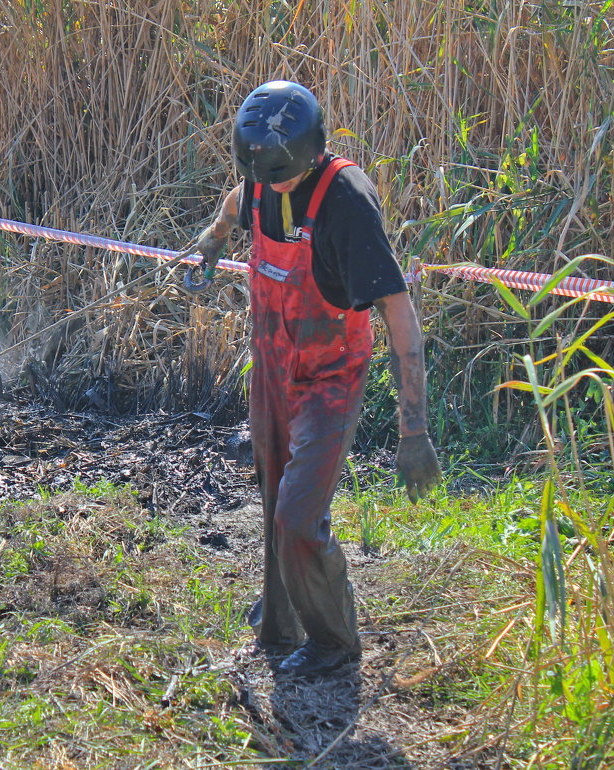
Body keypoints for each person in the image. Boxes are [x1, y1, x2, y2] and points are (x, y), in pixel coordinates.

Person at [194, 80, 442, 677]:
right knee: (274, 498)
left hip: (330, 377)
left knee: (299, 516)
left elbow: (400, 316)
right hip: (272, 367)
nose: (270, 182)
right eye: (261, 171)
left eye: (281, 173)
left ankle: (333, 645)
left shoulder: (346, 200)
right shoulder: (262, 169)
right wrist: (211, 240)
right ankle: (280, 627)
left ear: (308, 152)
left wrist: (415, 432)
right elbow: (238, 199)